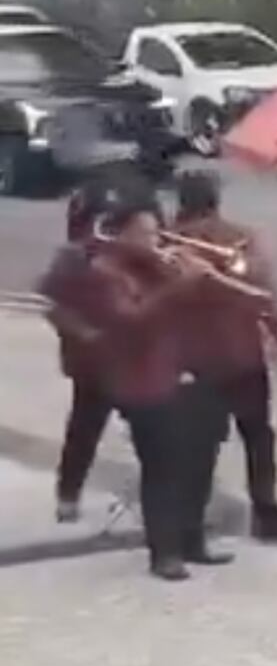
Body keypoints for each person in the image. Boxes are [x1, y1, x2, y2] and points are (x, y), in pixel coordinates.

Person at [46, 203, 267, 581]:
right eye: (146, 234)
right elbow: (130, 322)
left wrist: (215, 278)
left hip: (191, 369)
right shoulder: (107, 274)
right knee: (163, 466)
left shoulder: (161, 266)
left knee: (202, 454)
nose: (156, 241)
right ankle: (164, 553)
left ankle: (192, 539)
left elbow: (204, 302)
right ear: (123, 234)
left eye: (156, 233)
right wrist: (180, 285)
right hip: (143, 380)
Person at [172, 171, 277, 542]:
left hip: (195, 360)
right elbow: (264, 291)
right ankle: (266, 513)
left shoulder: (165, 242)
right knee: (257, 436)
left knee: (200, 442)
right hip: (242, 354)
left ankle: (190, 522)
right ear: (215, 201)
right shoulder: (238, 237)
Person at [42, 173, 161, 522]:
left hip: (131, 360)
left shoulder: (135, 255)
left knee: (150, 430)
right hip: (93, 364)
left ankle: (155, 500)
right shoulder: (74, 258)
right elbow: (52, 304)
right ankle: (68, 496)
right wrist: (85, 333)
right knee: (84, 430)